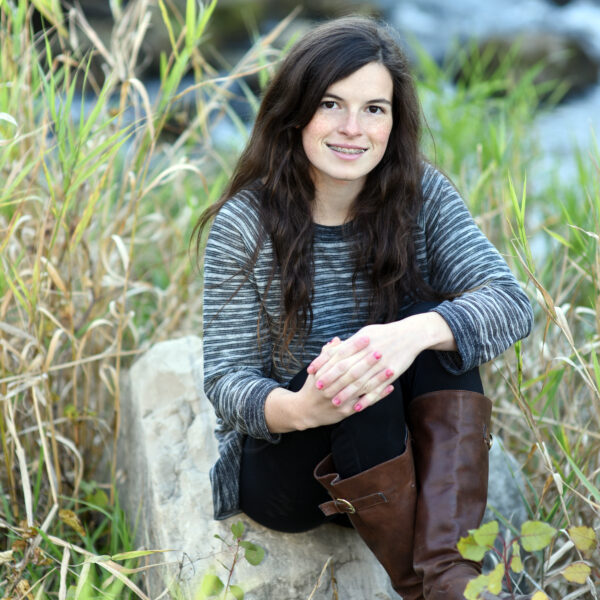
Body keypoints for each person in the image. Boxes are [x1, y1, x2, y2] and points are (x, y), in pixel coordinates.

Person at [194, 15, 534, 600]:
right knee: (361, 366)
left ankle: (449, 579)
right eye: (332, 104)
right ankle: (431, 585)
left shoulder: (421, 195)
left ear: (393, 121)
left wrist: (409, 334)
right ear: (296, 111)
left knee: (431, 325)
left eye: (374, 109)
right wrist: (303, 407)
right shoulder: (246, 223)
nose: (353, 129)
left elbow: (511, 303)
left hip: (400, 466)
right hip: (291, 472)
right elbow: (226, 380)